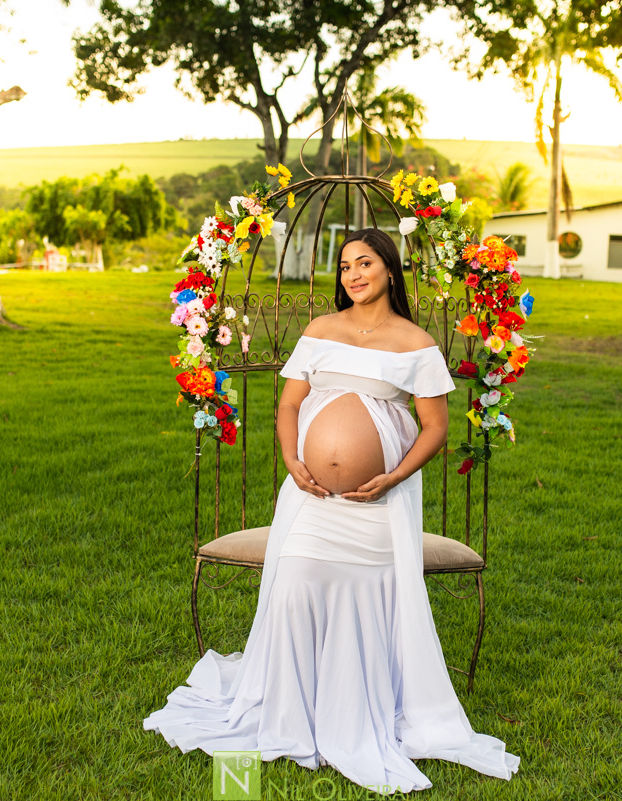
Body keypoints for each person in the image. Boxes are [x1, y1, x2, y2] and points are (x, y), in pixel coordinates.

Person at [144, 228, 521, 793]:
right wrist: (294, 462)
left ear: (390, 270)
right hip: (312, 502)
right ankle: (291, 716)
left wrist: (393, 476)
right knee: (295, 587)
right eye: (344, 266)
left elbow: (436, 426)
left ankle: (350, 716)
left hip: (375, 507)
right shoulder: (320, 331)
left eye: (364, 263)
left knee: (359, 601)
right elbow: (289, 404)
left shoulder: (415, 343)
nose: (353, 275)